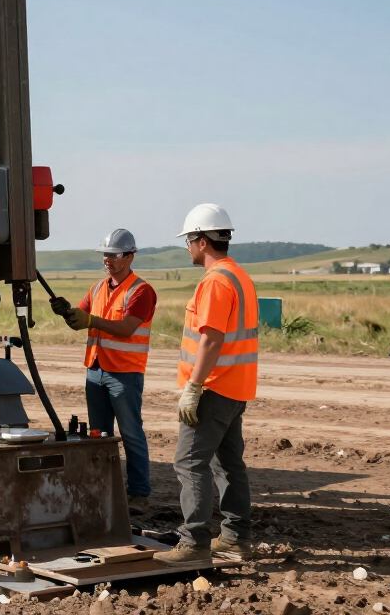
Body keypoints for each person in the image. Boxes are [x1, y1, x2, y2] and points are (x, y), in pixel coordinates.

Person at [155, 204, 259, 564]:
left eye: (189, 240)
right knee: (228, 464)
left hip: (213, 390)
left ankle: (194, 543)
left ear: (202, 241)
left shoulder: (215, 281)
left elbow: (212, 340)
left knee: (189, 464)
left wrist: (194, 387)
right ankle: (234, 538)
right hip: (235, 387)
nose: (187, 247)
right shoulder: (238, 276)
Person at [50, 228, 156, 515]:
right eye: (105, 254)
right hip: (95, 369)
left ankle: (139, 494)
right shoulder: (97, 288)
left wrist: (91, 319)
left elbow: (126, 328)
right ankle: (103, 489)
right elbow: (80, 321)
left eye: (114, 255)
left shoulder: (141, 291)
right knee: (98, 435)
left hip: (124, 373)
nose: (108, 259)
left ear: (130, 256)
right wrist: (65, 311)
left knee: (131, 433)